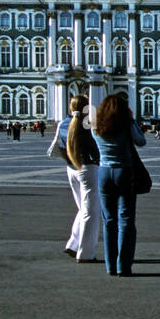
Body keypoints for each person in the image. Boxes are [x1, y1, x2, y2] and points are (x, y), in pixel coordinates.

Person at [92, 94, 147, 276]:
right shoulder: (125, 124)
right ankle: (124, 266)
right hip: (124, 172)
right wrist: (132, 121)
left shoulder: (96, 125)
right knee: (126, 220)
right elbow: (141, 141)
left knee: (109, 220)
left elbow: (94, 145)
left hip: (104, 173)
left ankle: (110, 266)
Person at [60, 95, 101, 263]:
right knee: (91, 213)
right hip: (88, 169)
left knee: (83, 209)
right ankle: (85, 254)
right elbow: (99, 147)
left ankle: (73, 244)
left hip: (71, 168)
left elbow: (59, 146)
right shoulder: (89, 125)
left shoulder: (63, 123)